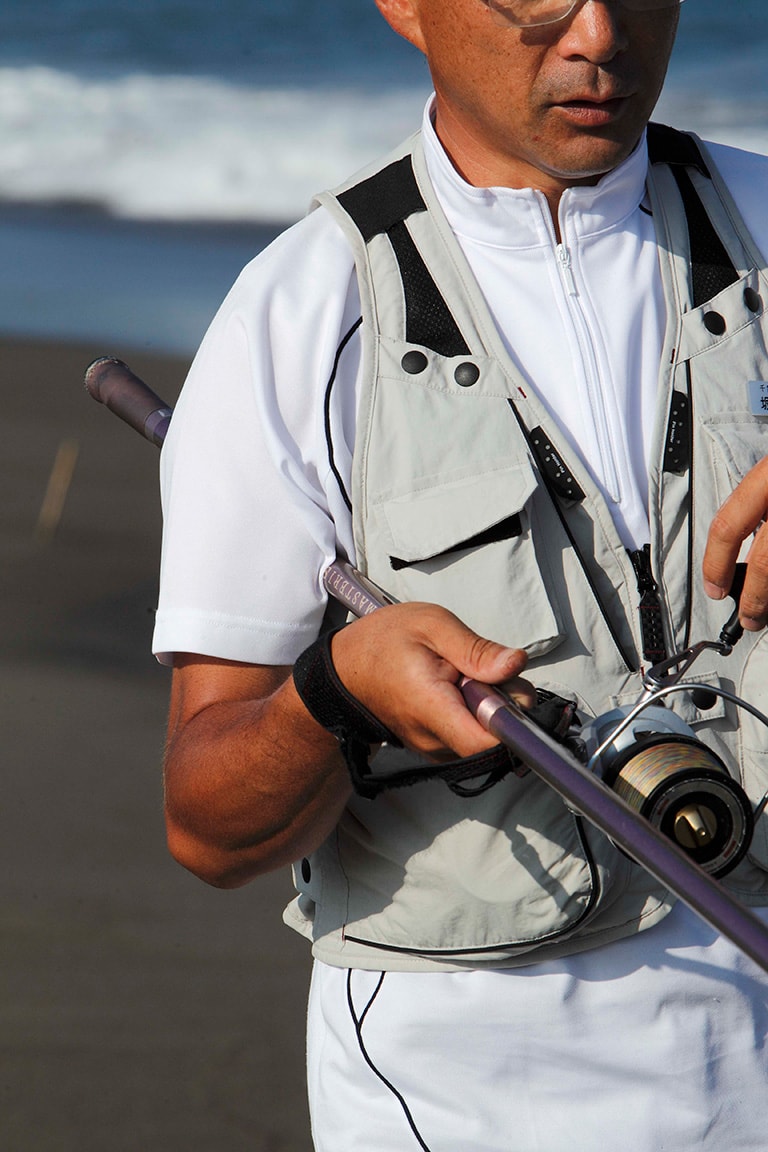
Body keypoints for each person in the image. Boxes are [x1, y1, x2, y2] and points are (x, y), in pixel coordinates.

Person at [154, 0, 768, 1148]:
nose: (598, 33)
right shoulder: (296, 317)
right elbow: (209, 827)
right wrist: (335, 696)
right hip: (461, 1086)